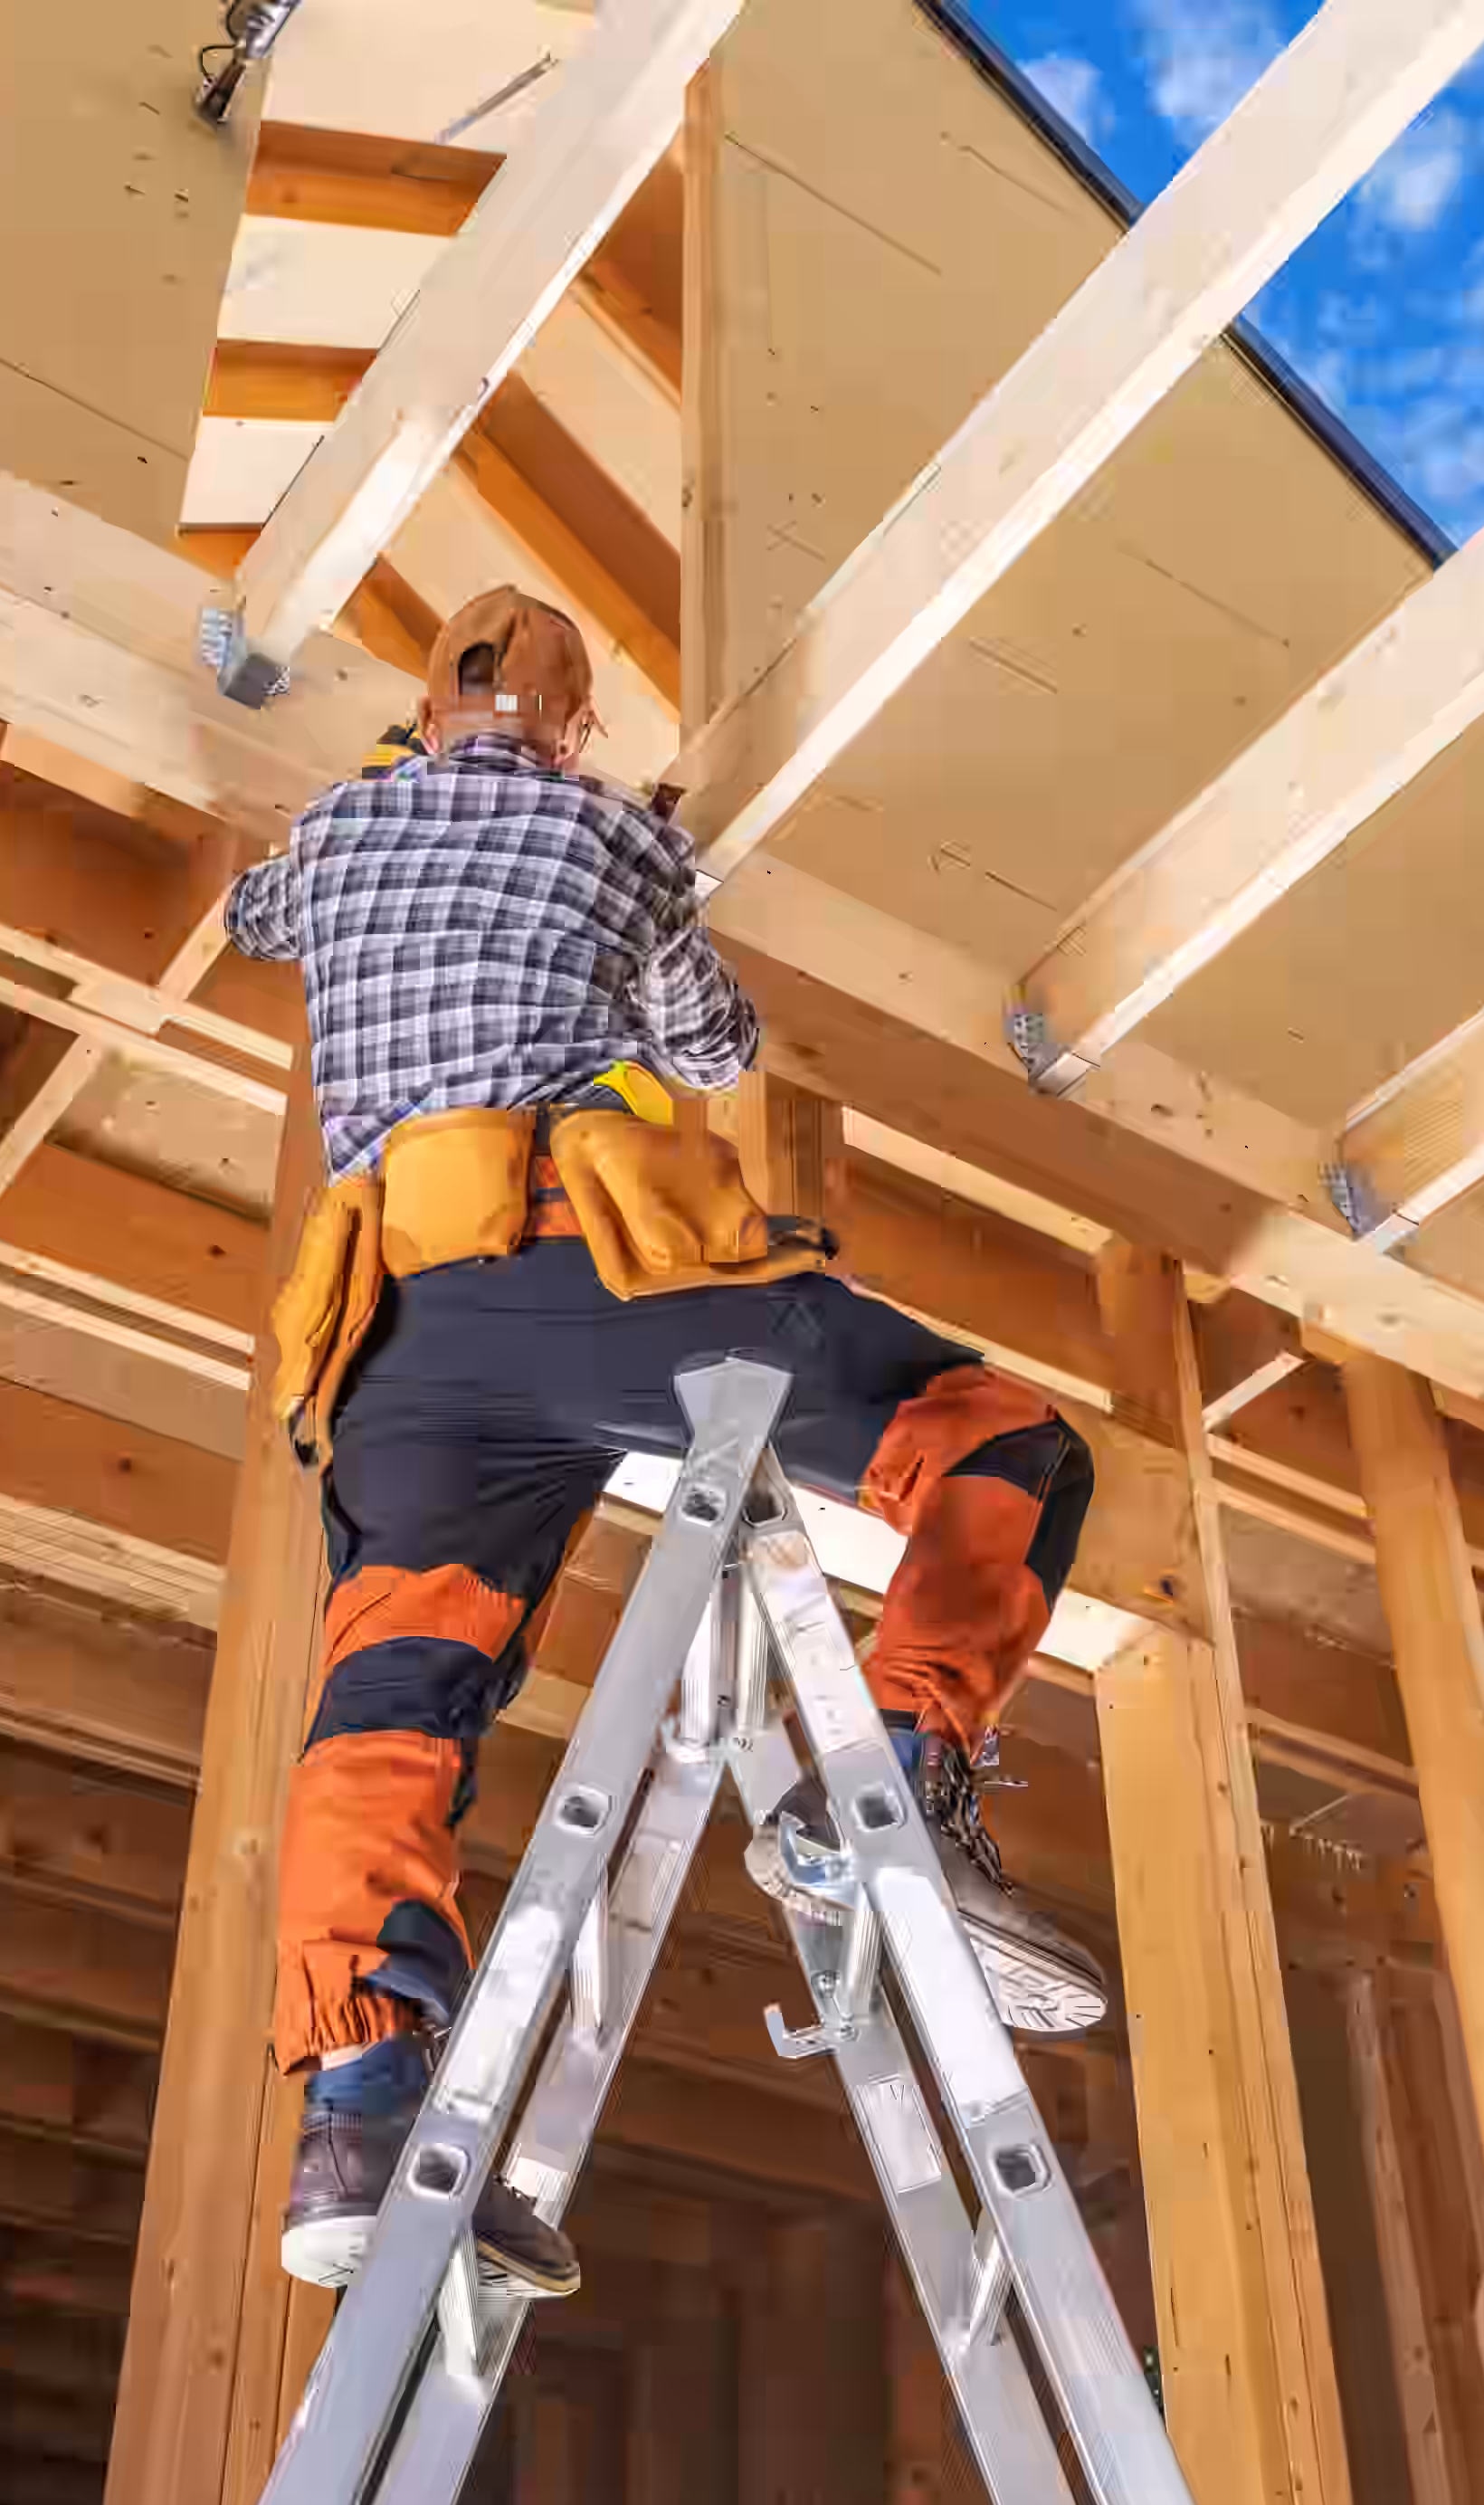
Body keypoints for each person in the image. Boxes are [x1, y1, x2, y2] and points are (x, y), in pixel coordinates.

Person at [224, 586, 1107, 2300]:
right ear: (565, 724)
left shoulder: (334, 832)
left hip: (399, 1343)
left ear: (425, 711)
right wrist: (646, 855)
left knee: (393, 1696)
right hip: (600, 1278)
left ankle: (359, 2105)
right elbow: (712, 1044)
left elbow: (258, 909)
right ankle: (902, 1775)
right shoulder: (605, 836)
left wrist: (395, 787)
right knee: (997, 1439)